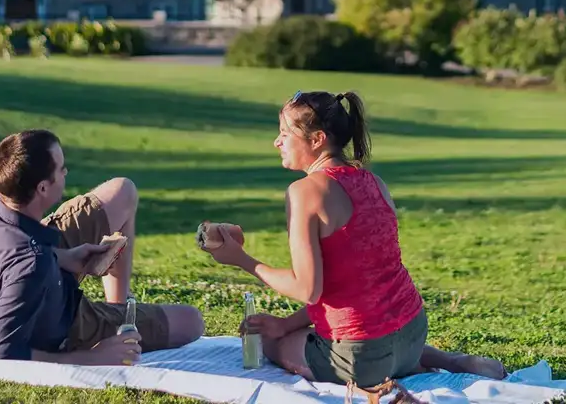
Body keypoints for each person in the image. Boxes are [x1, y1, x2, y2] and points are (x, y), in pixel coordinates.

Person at [205, 91, 506, 389]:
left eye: (285, 133)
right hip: (413, 334)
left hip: (360, 360)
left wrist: (239, 258)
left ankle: (402, 364)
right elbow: (350, 285)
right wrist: (285, 323)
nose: (277, 141)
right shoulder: (374, 182)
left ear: (316, 139)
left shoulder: (305, 192)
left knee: (270, 341)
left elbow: (307, 289)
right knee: (296, 331)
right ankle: (452, 361)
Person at [0, 129, 205, 363]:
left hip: (38, 261)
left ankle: (118, 306)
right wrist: (93, 356)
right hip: (60, 324)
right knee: (191, 322)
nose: (66, 173)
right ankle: (113, 320)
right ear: (42, 187)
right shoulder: (31, 265)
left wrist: (63, 256)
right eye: (61, 169)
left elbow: (7, 251)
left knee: (123, 192)